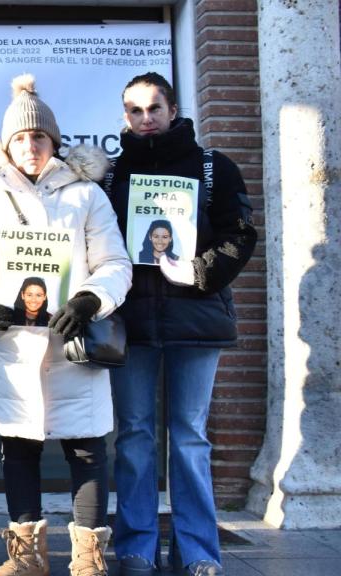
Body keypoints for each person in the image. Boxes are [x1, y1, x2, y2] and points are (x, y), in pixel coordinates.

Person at [0, 75, 132, 576]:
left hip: (74, 344)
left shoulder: (87, 197)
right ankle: (27, 559)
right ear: (6, 146)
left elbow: (115, 265)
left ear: (54, 141)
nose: (30, 147)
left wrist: (88, 299)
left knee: (87, 449)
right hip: (13, 347)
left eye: (39, 137)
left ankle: (88, 560)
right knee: (18, 451)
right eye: (19, 138)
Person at [107, 72, 256, 576]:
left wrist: (199, 271)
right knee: (132, 436)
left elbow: (240, 236)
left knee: (190, 436)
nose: (145, 119)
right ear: (124, 117)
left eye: (154, 108)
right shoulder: (110, 175)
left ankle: (197, 552)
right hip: (131, 323)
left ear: (173, 110)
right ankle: (135, 549)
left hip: (196, 319)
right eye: (134, 110)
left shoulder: (215, 168)